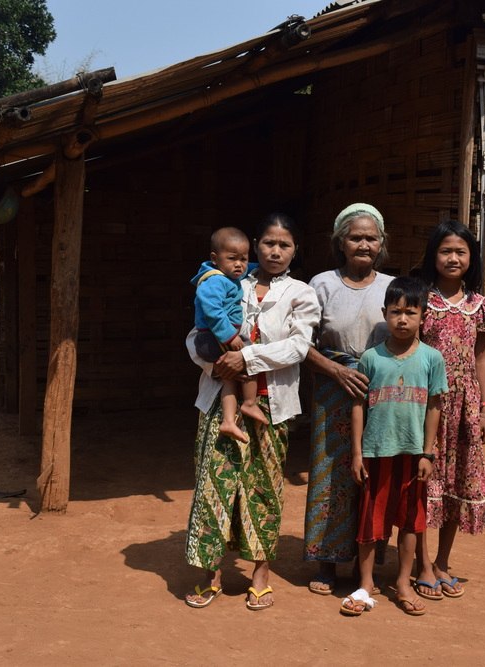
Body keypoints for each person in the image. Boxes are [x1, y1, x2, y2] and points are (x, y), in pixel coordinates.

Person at [183, 214, 320, 611]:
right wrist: (215, 363)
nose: (275, 251)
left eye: (286, 245)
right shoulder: (227, 278)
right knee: (213, 486)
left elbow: (297, 348)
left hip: (272, 406)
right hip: (217, 401)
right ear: (256, 244)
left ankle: (259, 574)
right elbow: (195, 336)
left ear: (296, 250)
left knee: (263, 489)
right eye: (269, 243)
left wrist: (245, 357)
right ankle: (210, 576)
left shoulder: (301, 293)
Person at [341, 276, 447, 617]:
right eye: (395, 312)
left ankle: (403, 581)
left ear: (422, 317)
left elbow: (434, 407)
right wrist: (357, 452)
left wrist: (428, 453)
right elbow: (358, 406)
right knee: (370, 522)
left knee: (411, 522)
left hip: (414, 453)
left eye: (410, 313)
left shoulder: (432, 359)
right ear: (385, 313)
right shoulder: (370, 358)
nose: (402, 319)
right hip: (376, 452)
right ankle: (366, 583)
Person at [303, 203, 394, 595]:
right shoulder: (321, 284)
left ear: (381, 243)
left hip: (380, 390)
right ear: (340, 242)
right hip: (332, 388)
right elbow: (300, 344)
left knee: (372, 473)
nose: (364, 243)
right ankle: (326, 562)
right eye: (355, 237)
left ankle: (365, 566)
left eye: (371, 237)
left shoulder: (391, 285)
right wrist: (337, 370)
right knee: (330, 474)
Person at [414, 220, 485, 601]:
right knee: (420, 484)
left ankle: (442, 562)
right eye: (445, 251)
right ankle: (419, 563)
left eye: (460, 252)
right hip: (426, 406)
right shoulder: (420, 301)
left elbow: (481, 358)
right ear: (433, 256)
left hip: (464, 407)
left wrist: (484, 407)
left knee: (455, 484)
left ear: (471, 258)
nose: (453, 258)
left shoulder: (479, 307)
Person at [190, 226, 265, 443]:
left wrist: (262, 266)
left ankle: (229, 421)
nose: (239, 264)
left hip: (216, 338)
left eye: (244, 258)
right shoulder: (213, 280)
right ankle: (249, 404)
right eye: (232, 258)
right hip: (212, 337)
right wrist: (230, 337)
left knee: (229, 377)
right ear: (215, 258)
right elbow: (212, 311)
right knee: (250, 358)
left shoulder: (230, 274)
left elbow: (253, 268)